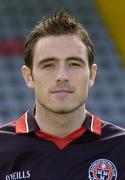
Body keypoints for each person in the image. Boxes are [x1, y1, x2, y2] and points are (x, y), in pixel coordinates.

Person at [0, 9, 125, 180]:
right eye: (48, 65)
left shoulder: (121, 147)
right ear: (28, 77)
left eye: (74, 64)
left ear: (92, 75)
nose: (62, 76)